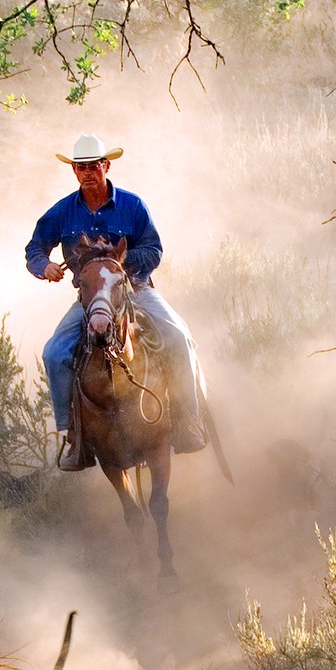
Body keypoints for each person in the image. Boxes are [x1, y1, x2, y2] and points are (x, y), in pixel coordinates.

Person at [25, 132, 208, 471]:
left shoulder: (132, 205)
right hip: (92, 298)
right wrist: (45, 266)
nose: (88, 172)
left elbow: (154, 250)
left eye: (94, 165)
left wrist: (118, 264)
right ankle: (73, 436)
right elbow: (34, 248)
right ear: (75, 172)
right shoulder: (63, 212)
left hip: (136, 289)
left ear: (106, 165)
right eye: (81, 167)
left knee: (178, 336)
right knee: (55, 353)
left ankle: (187, 421)